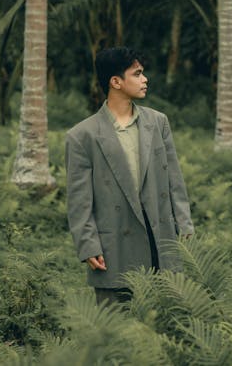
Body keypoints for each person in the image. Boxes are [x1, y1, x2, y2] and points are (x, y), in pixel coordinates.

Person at [65, 47, 195, 305]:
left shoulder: (158, 123)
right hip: (115, 243)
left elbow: (174, 183)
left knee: (166, 319)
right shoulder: (83, 135)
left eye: (143, 73)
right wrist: (88, 245)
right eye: (137, 74)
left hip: (160, 237)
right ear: (115, 82)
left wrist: (185, 225)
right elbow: (79, 201)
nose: (145, 79)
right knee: (116, 325)